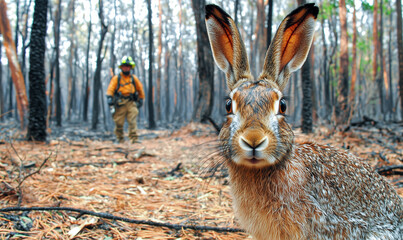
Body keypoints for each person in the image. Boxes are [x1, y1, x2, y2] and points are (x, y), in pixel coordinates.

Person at [106, 56, 145, 143]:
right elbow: (111, 89)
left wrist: (141, 99)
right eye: (124, 66)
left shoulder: (134, 79)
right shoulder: (117, 78)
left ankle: (134, 139)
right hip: (120, 103)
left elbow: (140, 89)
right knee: (119, 122)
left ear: (130, 67)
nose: (126, 67)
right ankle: (120, 139)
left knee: (132, 120)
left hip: (131, 102)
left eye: (128, 66)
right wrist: (109, 97)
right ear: (121, 67)